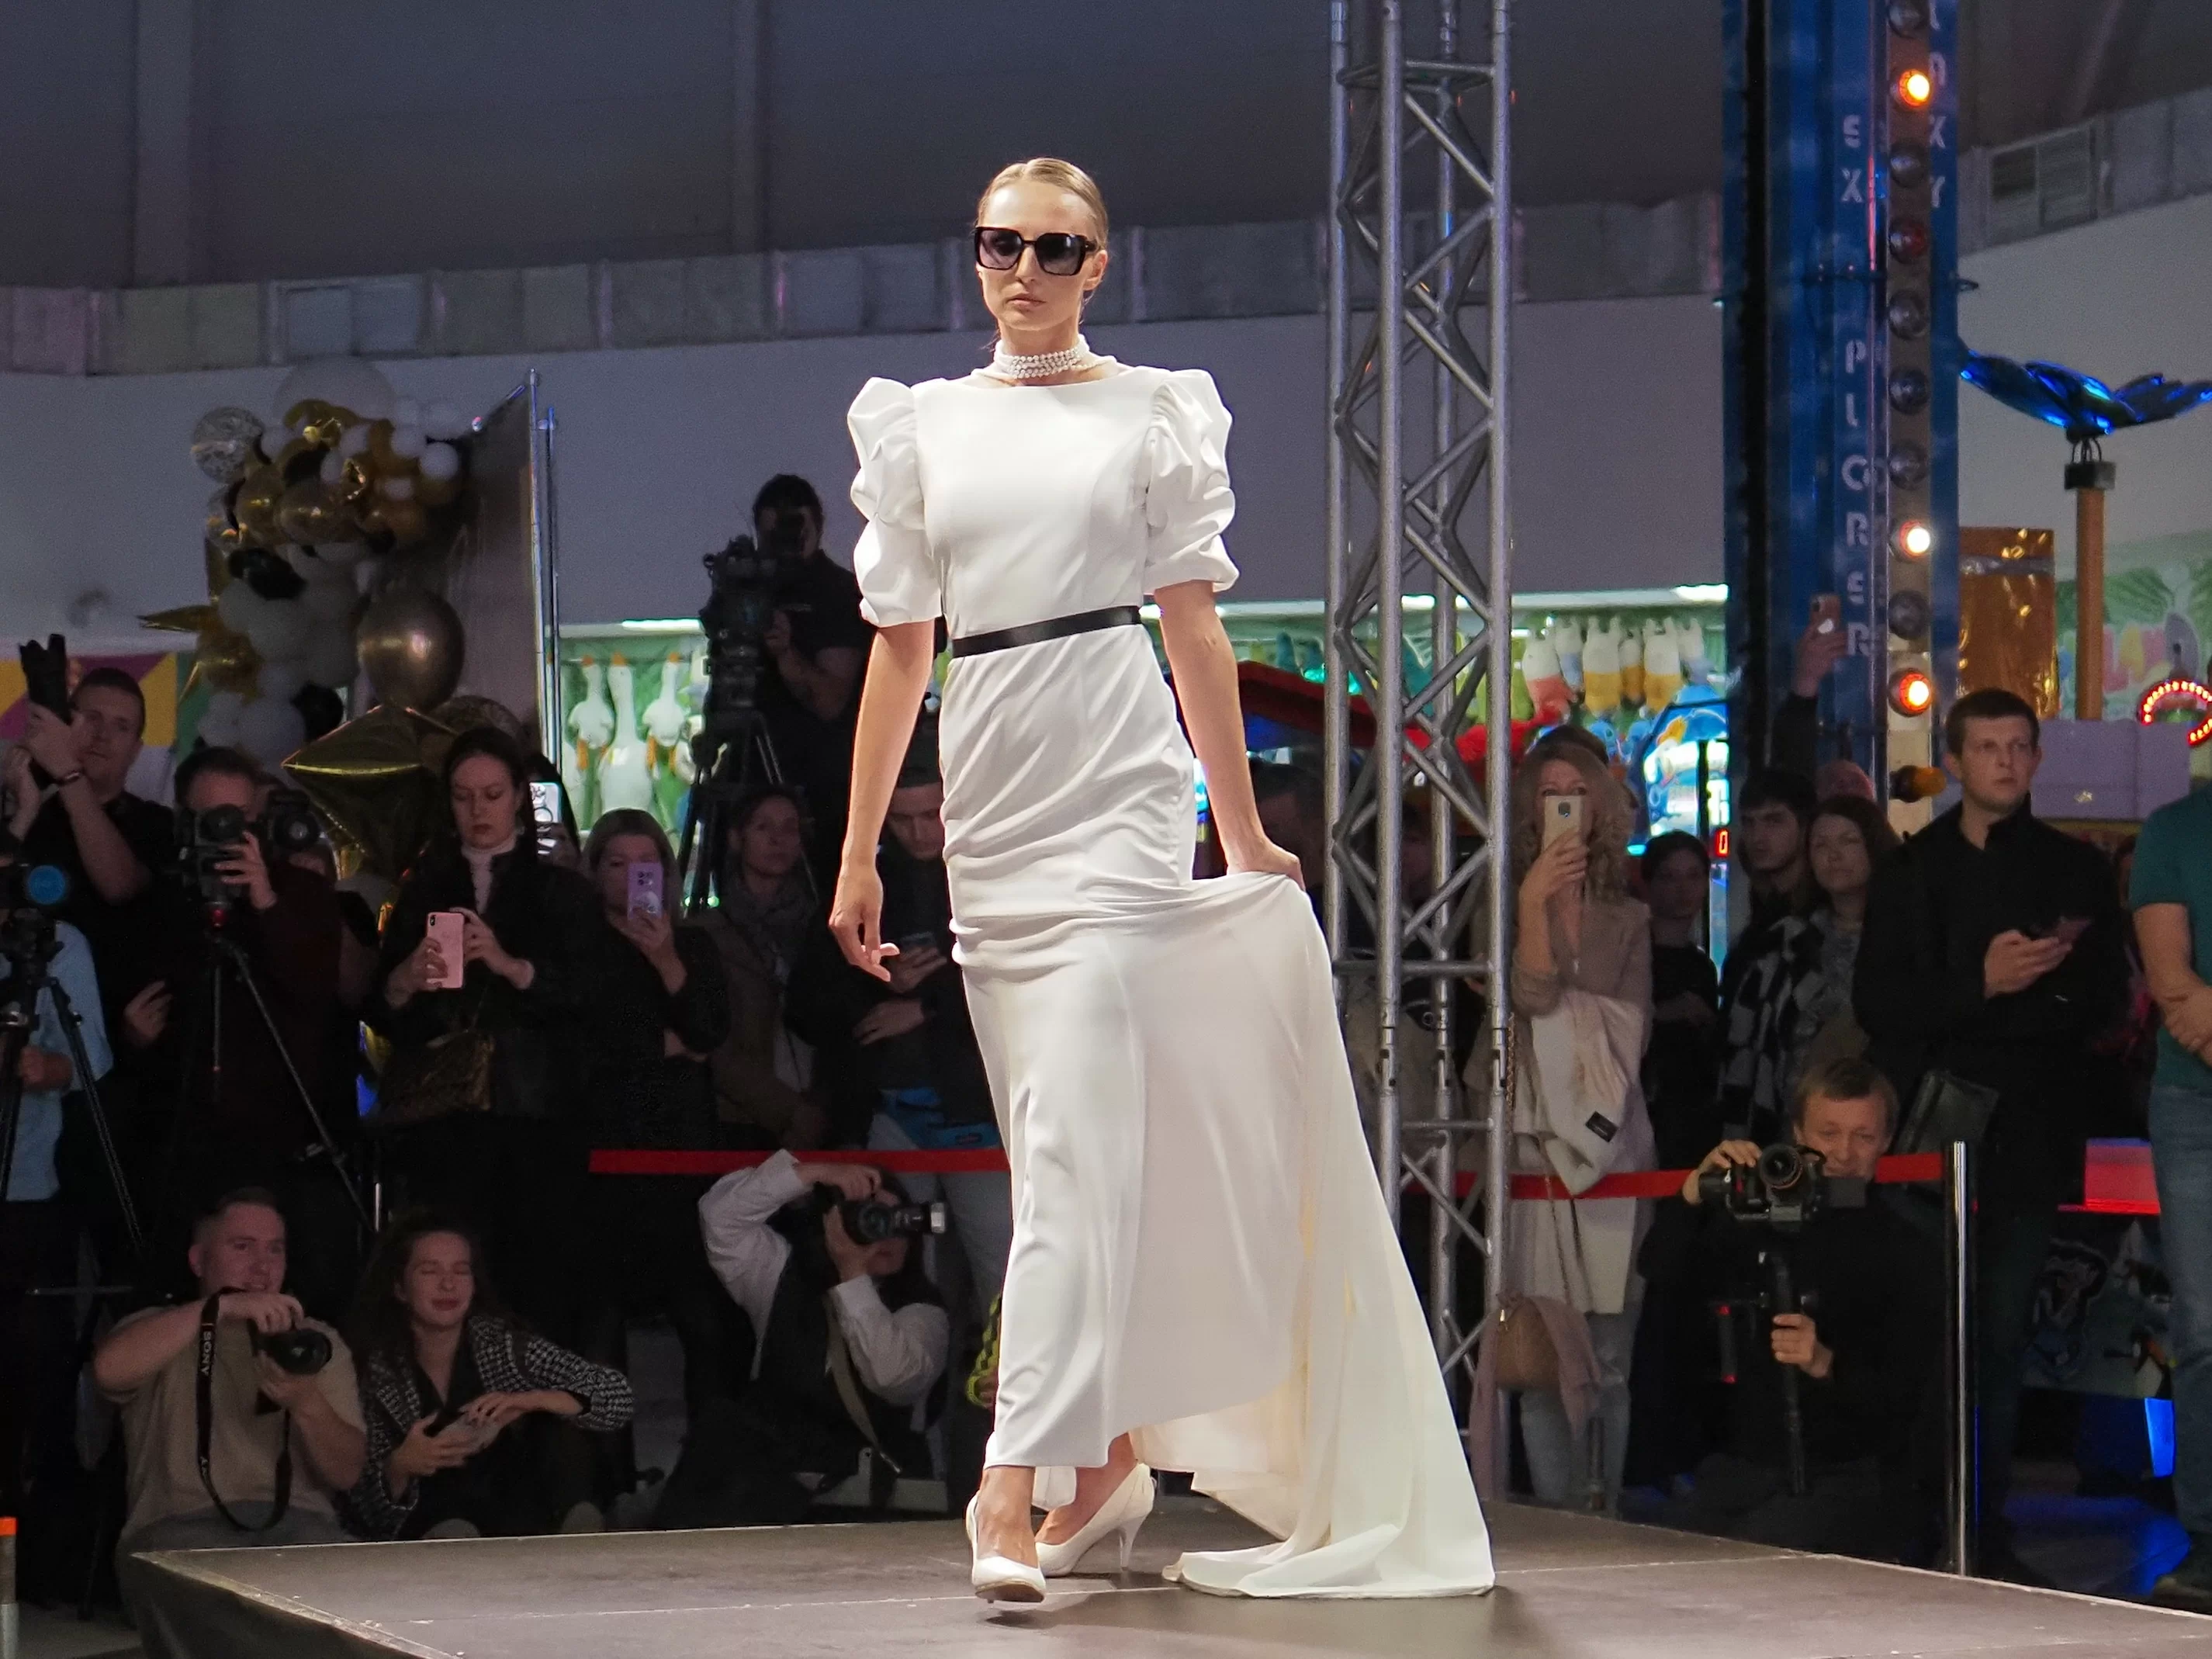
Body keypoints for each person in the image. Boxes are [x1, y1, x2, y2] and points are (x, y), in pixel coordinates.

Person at [831, 157, 1490, 1601]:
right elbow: (898, 648)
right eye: (1000, 242)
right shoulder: (923, 424)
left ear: (1100, 262)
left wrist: (1237, 829)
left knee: (1071, 1148)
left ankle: (1007, 1483)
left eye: (1054, 248)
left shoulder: (1153, 409)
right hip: (990, 786)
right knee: (1061, 1156)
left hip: (1118, 780)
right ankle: (1111, 1458)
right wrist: (859, 848)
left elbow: (1192, 629)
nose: (1024, 269)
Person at [1853, 687, 2126, 1581]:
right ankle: (1914, 1513)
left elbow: (2097, 1003)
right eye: (1987, 746)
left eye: (2017, 746)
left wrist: (1995, 998)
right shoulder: (1910, 869)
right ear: (1954, 758)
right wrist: (1982, 985)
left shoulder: (2073, 869)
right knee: (1922, 1329)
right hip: (1931, 1131)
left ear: (2036, 757)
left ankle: (1983, 1519)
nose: (2005, 761)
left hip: (2031, 1132)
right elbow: (1878, 1002)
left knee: (2001, 1337)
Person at [1642, 1058, 1940, 1562]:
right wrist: (1695, 1190)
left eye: (1863, 1136)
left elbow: (1912, 1399)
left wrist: (1826, 1362)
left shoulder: (1904, 1248)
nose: (1843, 1153)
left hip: (1850, 1473)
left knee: (1753, 1557)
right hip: (1744, 1466)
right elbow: (1658, 1267)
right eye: (1828, 1133)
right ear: (1798, 1131)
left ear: (1887, 1140)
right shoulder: (1756, 1222)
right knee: (1665, 1563)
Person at [366, 726, 603, 1339]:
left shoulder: (559, 888)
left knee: (538, 1284)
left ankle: (536, 1391)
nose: (478, 810)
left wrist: (511, 966)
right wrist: (403, 981)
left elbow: (590, 997)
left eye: (492, 795)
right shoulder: (423, 887)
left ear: (520, 796)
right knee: (453, 1273)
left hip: (537, 1115)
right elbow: (383, 1010)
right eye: (463, 796)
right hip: (447, 1120)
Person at [119, 746, 356, 1317]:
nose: (224, 835)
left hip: (278, 1141)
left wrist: (265, 898)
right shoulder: (163, 902)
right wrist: (134, 1039)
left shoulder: (300, 893)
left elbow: (316, 991)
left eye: (237, 820)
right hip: (182, 1140)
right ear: (183, 820)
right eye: (210, 820)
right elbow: (141, 1015)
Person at [92, 1190, 365, 1652]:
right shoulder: (159, 1326)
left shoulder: (315, 1341)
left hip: (299, 1529)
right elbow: (108, 1371)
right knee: (208, 1600)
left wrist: (306, 1403)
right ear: (199, 1261)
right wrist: (215, 1312)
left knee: (375, 1599)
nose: (262, 1266)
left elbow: (347, 1473)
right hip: (179, 1530)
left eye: (275, 1250)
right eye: (242, 1247)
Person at [790, 736, 1010, 1304]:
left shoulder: (995, 877)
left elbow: (1024, 986)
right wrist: (876, 982)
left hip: (979, 1115)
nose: (919, 832)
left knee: (1005, 1282)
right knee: (894, 1277)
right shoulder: (863, 883)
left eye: (931, 815)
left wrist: (928, 1007)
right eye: (901, 819)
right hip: (890, 1113)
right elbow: (805, 1005)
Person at [1498, 738, 1653, 1513]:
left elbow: (1627, 1033)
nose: (1563, 803)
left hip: (1612, 1144)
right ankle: (1557, 1514)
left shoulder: (1629, 916)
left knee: (1609, 1357)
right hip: (1530, 1151)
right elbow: (1529, 999)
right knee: (1540, 1352)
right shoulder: (1496, 903)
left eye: (1577, 791)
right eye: (1548, 790)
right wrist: (1532, 905)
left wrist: (1565, 1018)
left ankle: (1606, 1506)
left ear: (1600, 807)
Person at [659, 1153, 947, 1528]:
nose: (887, 1233)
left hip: (863, 1500)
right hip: (762, 1488)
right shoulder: (783, 1274)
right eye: (870, 1218)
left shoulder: (924, 1311)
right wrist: (816, 1172)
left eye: (899, 1220)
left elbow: (893, 1378)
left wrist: (852, 1273)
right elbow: (721, 1217)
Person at [576, 809, 735, 1414]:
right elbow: (589, 1043)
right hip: (604, 1150)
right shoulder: (581, 947)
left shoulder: (693, 944)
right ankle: (602, 1457)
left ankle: (709, 1452)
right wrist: (664, 1045)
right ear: (595, 873)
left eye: (645, 864)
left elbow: (709, 1032)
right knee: (599, 1321)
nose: (631, 876)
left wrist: (667, 959)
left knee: (702, 1315)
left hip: (682, 1151)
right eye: (617, 864)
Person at [348, 1215, 634, 1540]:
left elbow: (617, 1397)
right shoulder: (376, 1369)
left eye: (461, 1270)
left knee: (559, 1426)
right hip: (436, 1519)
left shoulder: (500, 1345)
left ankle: (578, 1531)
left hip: (517, 1508)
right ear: (399, 1288)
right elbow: (360, 1506)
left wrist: (531, 1401)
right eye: (430, 1271)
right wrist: (400, 1466)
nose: (448, 1284)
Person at [0, 880, 109, 1522]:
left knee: (32, 1369)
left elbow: (90, 1059)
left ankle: (35, 1529)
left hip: (26, 1187)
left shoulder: (55, 944)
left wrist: (44, 1067)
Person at [2129, 773, 2212, 1610]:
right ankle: (2210, 1542)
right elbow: (2171, 982)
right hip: (2195, 1104)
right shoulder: (2173, 829)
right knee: (2205, 1325)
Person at [1718, 795, 1896, 1145]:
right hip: (1790, 1126)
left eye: (1848, 841)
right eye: (1820, 845)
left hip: (1875, 1124)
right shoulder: (1787, 943)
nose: (1833, 855)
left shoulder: (1905, 942)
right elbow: (1747, 1052)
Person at [2, 667, 176, 1018]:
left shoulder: (158, 824)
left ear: (136, 750)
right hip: (24, 1023)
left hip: (121, 1026)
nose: (102, 735)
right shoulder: (28, 816)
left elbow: (120, 886)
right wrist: (22, 813)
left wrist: (68, 773)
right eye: (92, 718)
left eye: (121, 727)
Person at [751, 473, 878, 885]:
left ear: (816, 526)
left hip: (819, 786)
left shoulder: (836, 594)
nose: (784, 542)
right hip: (751, 774)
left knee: (818, 889)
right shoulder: (749, 591)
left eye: (794, 528)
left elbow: (830, 702)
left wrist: (786, 652)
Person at [701, 787, 826, 1148]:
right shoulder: (707, 932)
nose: (778, 839)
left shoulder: (823, 927)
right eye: (763, 827)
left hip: (818, 1104)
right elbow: (711, 1040)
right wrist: (787, 1110)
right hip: (740, 1115)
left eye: (790, 828)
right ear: (736, 838)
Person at [1640, 831, 1721, 1170]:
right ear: (1650, 885)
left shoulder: (1702, 965)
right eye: (1669, 877)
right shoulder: (1634, 954)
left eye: (1693, 876)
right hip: (1648, 1104)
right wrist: (1666, 1013)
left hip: (1695, 1109)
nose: (1683, 889)